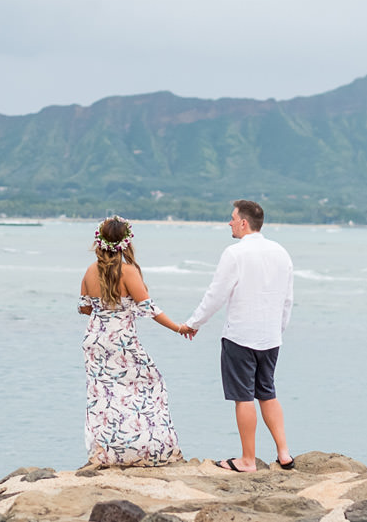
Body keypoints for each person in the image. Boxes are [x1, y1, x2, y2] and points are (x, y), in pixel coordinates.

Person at [182, 199, 295, 472]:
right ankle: (284, 453)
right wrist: (277, 330)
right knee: (267, 392)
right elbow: (288, 299)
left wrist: (194, 323)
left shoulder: (234, 253)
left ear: (244, 223)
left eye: (232, 218)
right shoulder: (281, 252)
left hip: (240, 336)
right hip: (271, 338)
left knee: (243, 397)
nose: (229, 222)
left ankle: (247, 460)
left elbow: (216, 294)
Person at [79, 215, 189, 466]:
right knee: (150, 386)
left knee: (104, 397)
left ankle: (107, 451)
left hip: (95, 341)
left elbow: (84, 307)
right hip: (121, 341)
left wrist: (103, 306)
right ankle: (144, 449)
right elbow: (150, 309)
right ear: (126, 243)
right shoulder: (128, 272)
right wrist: (178, 328)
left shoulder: (89, 270)